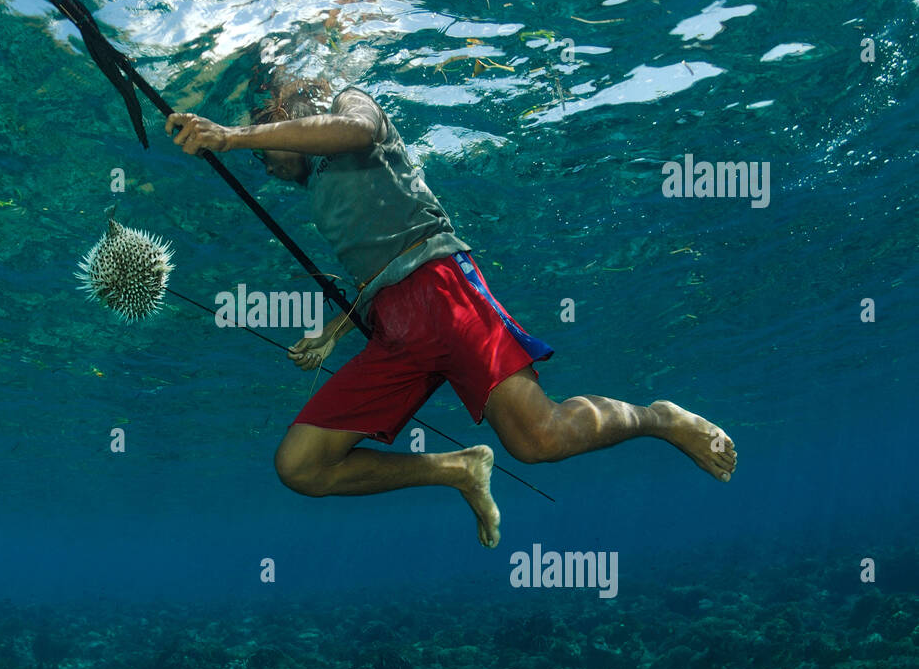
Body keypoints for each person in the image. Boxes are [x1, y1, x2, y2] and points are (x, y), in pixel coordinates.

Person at [164, 85, 736, 548]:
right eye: (259, 154)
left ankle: (658, 419)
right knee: (300, 467)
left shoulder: (350, 104)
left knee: (539, 441)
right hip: (393, 328)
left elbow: (360, 134)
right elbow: (381, 265)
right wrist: (336, 330)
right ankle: (456, 468)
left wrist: (235, 136)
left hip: (446, 294)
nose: (264, 163)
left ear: (286, 108)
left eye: (267, 147)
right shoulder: (320, 191)